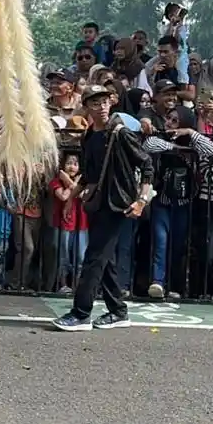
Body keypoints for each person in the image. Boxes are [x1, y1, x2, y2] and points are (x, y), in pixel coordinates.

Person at [52, 85, 153, 332]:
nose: (102, 106)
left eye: (106, 101)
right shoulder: (89, 135)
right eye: (96, 103)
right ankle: (118, 311)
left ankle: (81, 313)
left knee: (94, 258)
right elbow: (89, 173)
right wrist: (70, 200)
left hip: (117, 204)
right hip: (98, 203)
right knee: (105, 260)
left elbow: (147, 163)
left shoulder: (120, 133)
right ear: (87, 107)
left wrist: (141, 200)